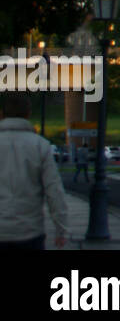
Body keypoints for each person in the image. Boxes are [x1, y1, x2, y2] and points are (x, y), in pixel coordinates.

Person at [0, 92, 69, 249]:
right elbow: (54, 191)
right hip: (29, 231)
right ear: (28, 114)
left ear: (2, 114)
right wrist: (61, 228)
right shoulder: (40, 145)